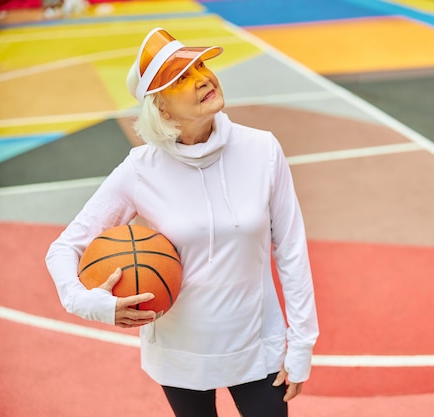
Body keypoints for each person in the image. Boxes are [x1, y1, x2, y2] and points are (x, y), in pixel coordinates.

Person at [45, 27, 319, 417]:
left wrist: (302, 342)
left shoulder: (263, 150)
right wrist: (91, 304)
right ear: (160, 108)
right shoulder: (140, 171)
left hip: (258, 346)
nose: (203, 77)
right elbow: (64, 248)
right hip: (179, 352)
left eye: (201, 65)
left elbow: (291, 250)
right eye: (182, 77)